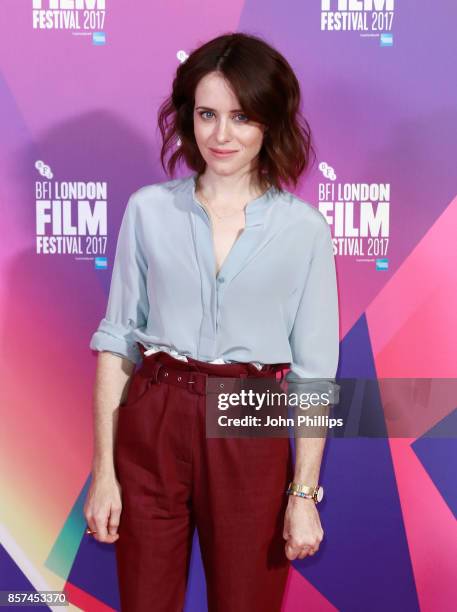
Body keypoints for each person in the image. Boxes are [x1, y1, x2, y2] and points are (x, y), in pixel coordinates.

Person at [83, 31, 340, 612]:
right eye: (207, 114)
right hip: (156, 411)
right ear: (187, 118)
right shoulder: (148, 210)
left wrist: (303, 492)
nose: (221, 135)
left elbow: (315, 375)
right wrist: (104, 473)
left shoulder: (304, 231)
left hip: (250, 416)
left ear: (270, 121)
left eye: (241, 116)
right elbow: (118, 340)